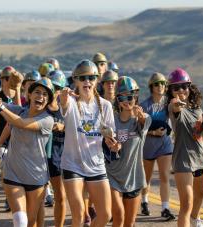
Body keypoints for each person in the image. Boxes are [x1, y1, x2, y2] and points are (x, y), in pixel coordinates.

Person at [0, 78, 54, 227]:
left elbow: (21, 123)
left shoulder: (47, 120)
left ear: (48, 100)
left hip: (36, 177)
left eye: (45, 94)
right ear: (29, 95)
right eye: (37, 92)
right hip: (13, 173)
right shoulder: (19, 110)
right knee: (20, 221)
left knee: (31, 222)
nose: (41, 96)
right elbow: (6, 116)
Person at [59, 59, 113, 227]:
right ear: (75, 80)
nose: (87, 82)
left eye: (91, 77)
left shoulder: (105, 106)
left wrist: (114, 144)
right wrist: (63, 98)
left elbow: (111, 138)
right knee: (78, 216)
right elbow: (63, 105)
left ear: (96, 80)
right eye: (82, 78)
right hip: (72, 165)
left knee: (105, 215)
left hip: (96, 165)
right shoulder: (71, 103)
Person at [167, 68, 203, 227]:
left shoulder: (198, 110)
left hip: (199, 160)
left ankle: (195, 219)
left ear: (189, 88)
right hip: (183, 161)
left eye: (184, 86)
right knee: (186, 205)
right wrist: (176, 104)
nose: (180, 90)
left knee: (201, 194)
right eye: (176, 87)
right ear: (171, 91)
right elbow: (175, 107)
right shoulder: (173, 108)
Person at [103, 76, 151, 227]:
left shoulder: (143, 118)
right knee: (118, 216)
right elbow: (103, 143)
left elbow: (144, 123)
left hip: (134, 177)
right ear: (117, 99)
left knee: (129, 223)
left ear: (136, 97)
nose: (127, 100)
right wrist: (112, 146)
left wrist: (141, 117)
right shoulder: (111, 119)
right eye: (122, 96)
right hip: (112, 175)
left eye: (130, 96)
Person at [140, 72, 176, 220]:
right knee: (146, 179)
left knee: (164, 177)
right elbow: (140, 130)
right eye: (156, 84)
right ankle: (144, 201)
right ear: (151, 87)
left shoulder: (169, 103)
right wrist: (154, 132)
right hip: (148, 146)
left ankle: (165, 208)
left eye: (162, 83)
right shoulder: (144, 106)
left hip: (165, 145)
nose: (160, 86)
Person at [47, 70, 67, 226]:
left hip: (61, 155)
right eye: (53, 86)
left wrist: (63, 126)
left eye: (58, 87)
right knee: (36, 197)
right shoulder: (40, 106)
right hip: (41, 156)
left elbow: (79, 128)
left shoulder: (67, 108)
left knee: (60, 197)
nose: (55, 90)